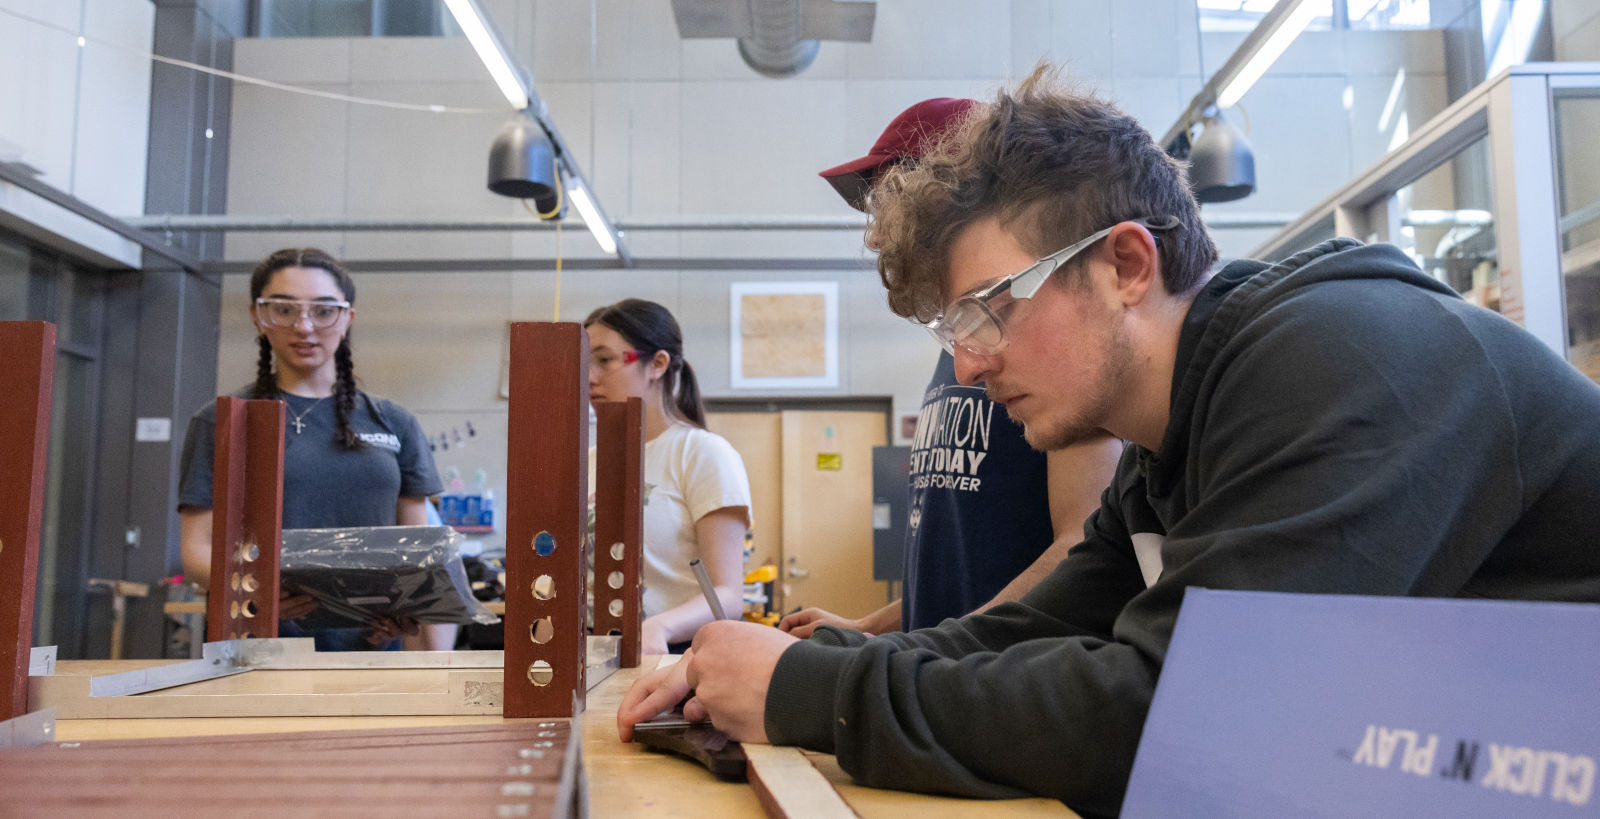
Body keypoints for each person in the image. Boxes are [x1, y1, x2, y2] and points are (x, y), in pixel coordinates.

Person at [617, 65, 1600, 816]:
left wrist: (813, 688)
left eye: (988, 313)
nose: (968, 366)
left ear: (1126, 263)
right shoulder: (1175, 441)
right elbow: (1034, 628)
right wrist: (806, 662)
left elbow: (1185, 712)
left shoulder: (1344, 365)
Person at [779, 97, 1122, 639]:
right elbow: (958, 564)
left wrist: (939, 655)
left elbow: (1083, 543)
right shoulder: (961, 352)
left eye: (891, 206)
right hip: (956, 677)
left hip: (1010, 682)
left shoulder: (1044, 350)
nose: (875, 236)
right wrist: (870, 629)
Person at [178, 248, 447, 651]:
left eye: (323, 311)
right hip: (257, 650)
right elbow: (197, 548)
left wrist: (409, 609)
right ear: (258, 316)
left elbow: (418, 549)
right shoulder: (222, 422)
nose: (304, 327)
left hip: (372, 653)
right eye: (283, 310)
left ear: (347, 319)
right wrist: (258, 589)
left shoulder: (393, 422)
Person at [585, 298, 753, 655]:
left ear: (657, 364)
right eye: (584, 362)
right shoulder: (590, 460)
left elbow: (728, 595)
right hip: (595, 652)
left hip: (676, 654)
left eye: (604, 360)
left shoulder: (704, 454)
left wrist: (659, 626)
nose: (590, 377)